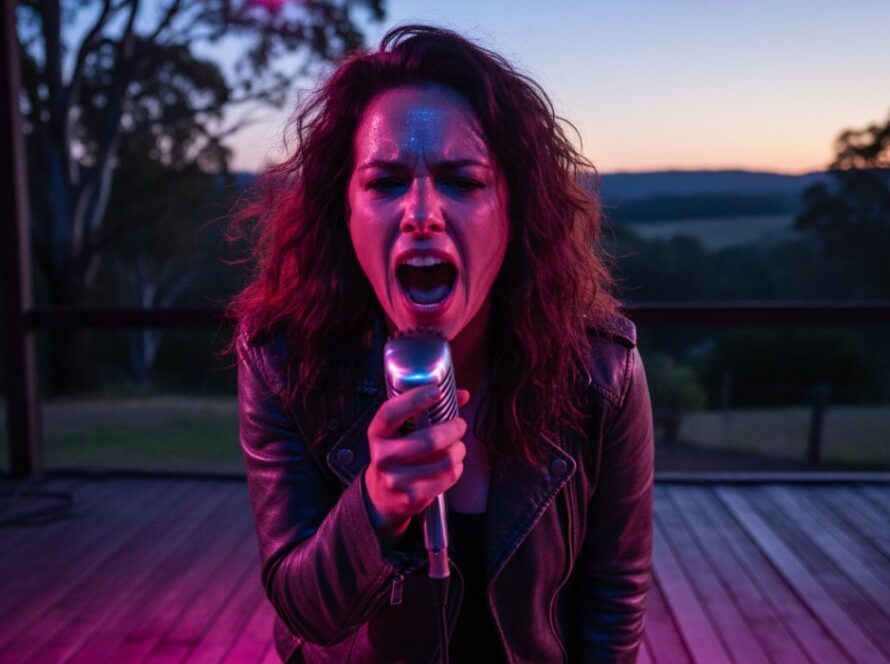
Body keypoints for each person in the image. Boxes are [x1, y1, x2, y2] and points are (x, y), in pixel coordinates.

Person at [233, 24, 653, 664]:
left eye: (462, 180)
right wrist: (376, 506)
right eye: (385, 182)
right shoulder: (281, 362)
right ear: (342, 211)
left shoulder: (604, 372)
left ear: (515, 211)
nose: (422, 211)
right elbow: (302, 610)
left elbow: (613, 601)